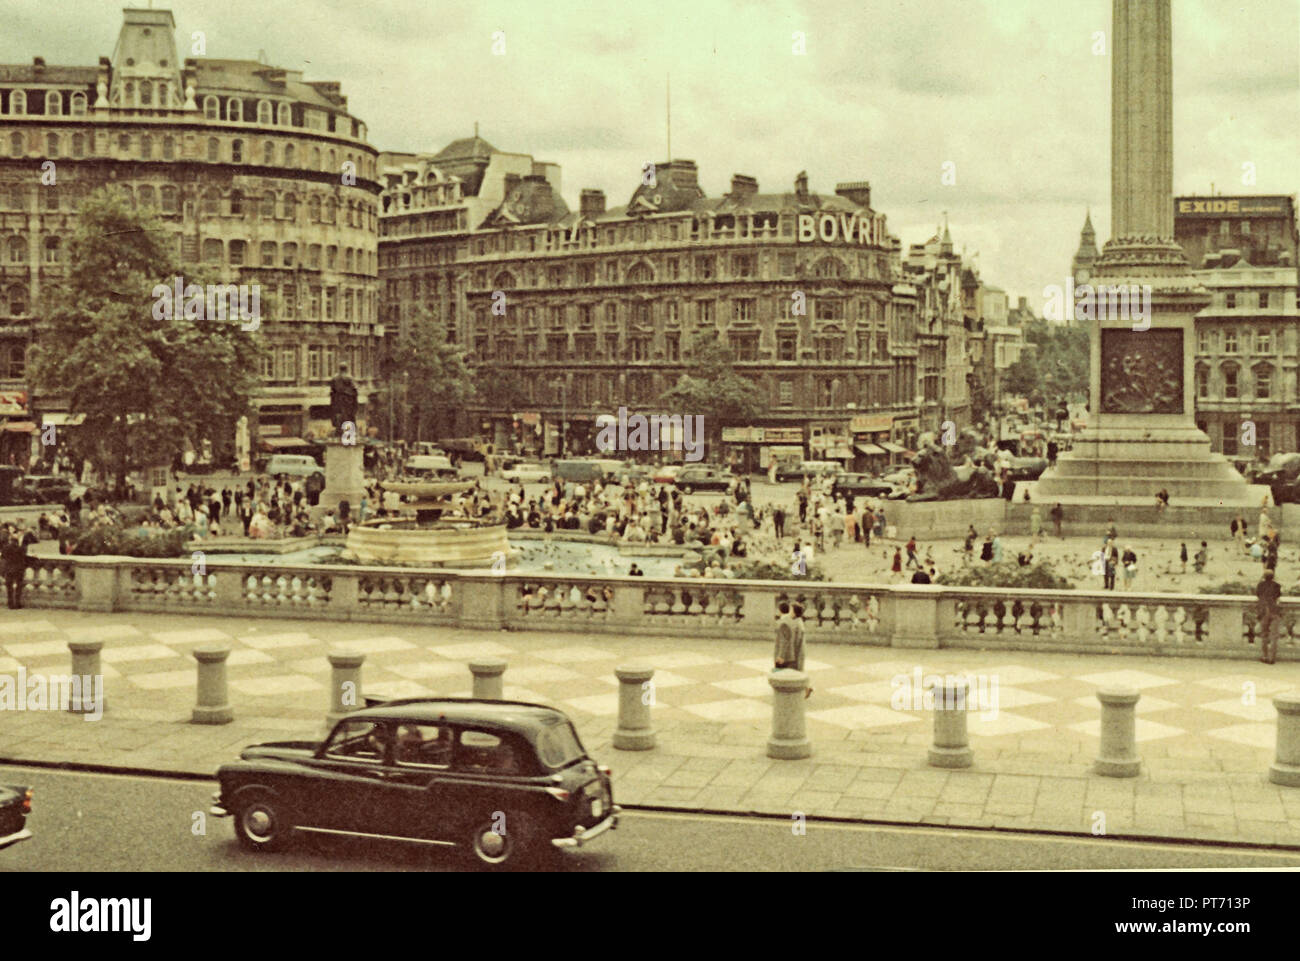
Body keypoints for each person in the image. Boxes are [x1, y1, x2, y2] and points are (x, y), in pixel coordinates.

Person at [1256, 568, 1282, 664]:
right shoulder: (1277, 585)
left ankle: (1265, 656)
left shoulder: (1260, 585)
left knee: (1264, 634)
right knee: (1274, 635)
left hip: (1264, 611)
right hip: (1274, 610)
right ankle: (1272, 658)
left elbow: (1258, 594)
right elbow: (1278, 596)